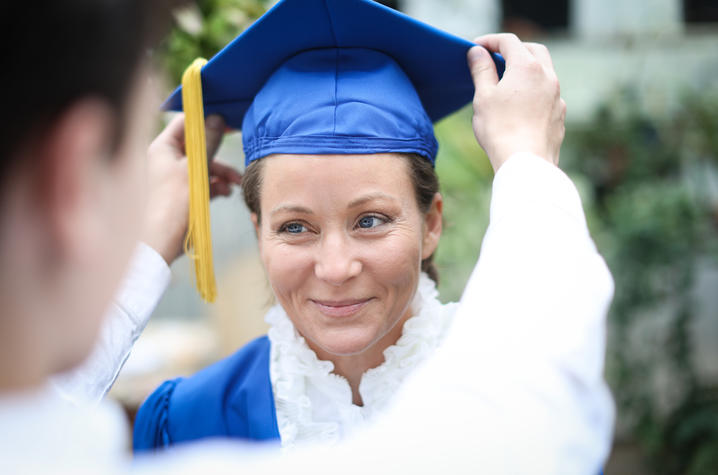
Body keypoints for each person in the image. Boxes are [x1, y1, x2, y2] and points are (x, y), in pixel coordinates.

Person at [0, 0, 613, 473]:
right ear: (256, 231)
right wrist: (527, 161)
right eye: (294, 227)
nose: (337, 265)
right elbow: (536, 395)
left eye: (371, 219)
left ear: (431, 223)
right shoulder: (185, 420)